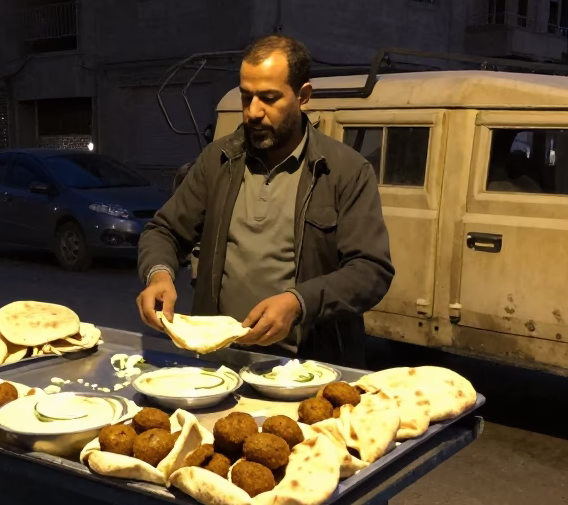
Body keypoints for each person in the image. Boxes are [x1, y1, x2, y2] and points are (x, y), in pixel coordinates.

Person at [136, 34, 394, 368]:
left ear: (303, 96)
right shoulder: (218, 160)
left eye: (269, 98)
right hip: (218, 364)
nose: (253, 112)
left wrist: (298, 303)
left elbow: (371, 271)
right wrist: (159, 275)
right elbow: (164, 230)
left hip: (306, 369)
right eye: (247, 97)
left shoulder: (346, 170)